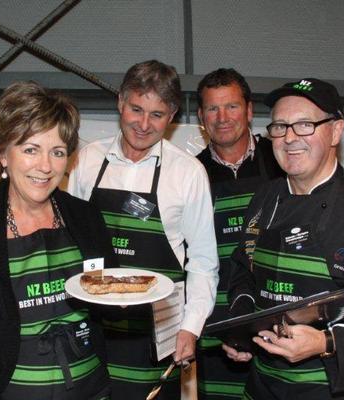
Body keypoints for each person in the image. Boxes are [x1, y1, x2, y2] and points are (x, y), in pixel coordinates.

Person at [224, 78, 344, 399]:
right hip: (265, 386)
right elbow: (243, 271)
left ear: (336, 131)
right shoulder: (263, 199)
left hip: (338, 391)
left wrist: (326, 343)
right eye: (280, 126)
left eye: (305, 125)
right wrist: (243, 329)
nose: (290, 137)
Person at [0, 81, 117, 400]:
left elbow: (108, 298)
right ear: (3, 154)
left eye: (57, 152)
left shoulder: (86, 218)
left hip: (90, 390)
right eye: (31, 149)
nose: (45, 167)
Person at [68, 60, 219, 399]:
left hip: (158, 334)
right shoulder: (86, 160)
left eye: (157, 114)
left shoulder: (188, 172)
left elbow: (204, 262)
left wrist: (191, 327)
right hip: (92, 328)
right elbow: (72, 244)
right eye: (136, 109)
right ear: (120, 101)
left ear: (172, 116)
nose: (143, 124)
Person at [194, 68, 284, 399]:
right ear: (201, 117)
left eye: (231, 106)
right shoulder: (191, 173)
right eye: (212, 109)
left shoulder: (281, 161)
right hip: (215, 327)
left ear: (249, 110)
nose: (222, 118)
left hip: (277, 317)